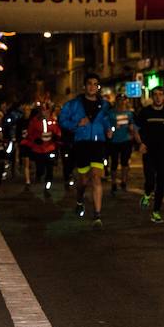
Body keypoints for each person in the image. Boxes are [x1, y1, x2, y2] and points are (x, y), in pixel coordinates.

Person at [59, 73, 113, 228]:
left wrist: (108, 129)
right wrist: (77, 123)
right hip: (81, 144)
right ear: (84, 86)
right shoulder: (74, 104)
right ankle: (80, 199)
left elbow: (105, 119)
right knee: (83, 180)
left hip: (98, 144)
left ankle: (97, 215)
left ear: (98, 87)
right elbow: (62, 120)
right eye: (89, 83)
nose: (92, 86)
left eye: (95, 84)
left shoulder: (103, 104)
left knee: (96, 177)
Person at [134, 86, 164, 223]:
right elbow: (135, 129)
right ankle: (147, 193)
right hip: (148, 150)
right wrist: (140, 143)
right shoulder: (145, 112)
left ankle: (156, 211)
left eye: (161, 94)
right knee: (150, 180)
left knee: (161, 181)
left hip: (163, 151)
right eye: (156, 94)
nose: (158, 97)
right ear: (152, 97)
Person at [26, 103, 62, 197]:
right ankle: (39, 174)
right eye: (44, 111)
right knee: (40, 168)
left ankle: (47, 187)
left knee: (50, 169)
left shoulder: (53, 121)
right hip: (38, 149)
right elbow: (30, 133)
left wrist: (56, 137)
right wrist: (35, 140)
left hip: (50, 148)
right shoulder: (34, 122)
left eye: (47, 111)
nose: (45, 113)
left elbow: (58, 131)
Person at [108, 95, 136, 195]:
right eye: (119, 100)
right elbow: (107, 125)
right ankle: (114, 183)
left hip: (126, 140)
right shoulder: (111, 113)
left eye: (123, 100)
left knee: (125, 162)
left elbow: (133, 125)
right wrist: (112, 129)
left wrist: (132, 130)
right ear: (116, 101)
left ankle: (124, 182)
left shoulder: (129, 113)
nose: (121, 102)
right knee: (114, 163)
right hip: (114, 141)